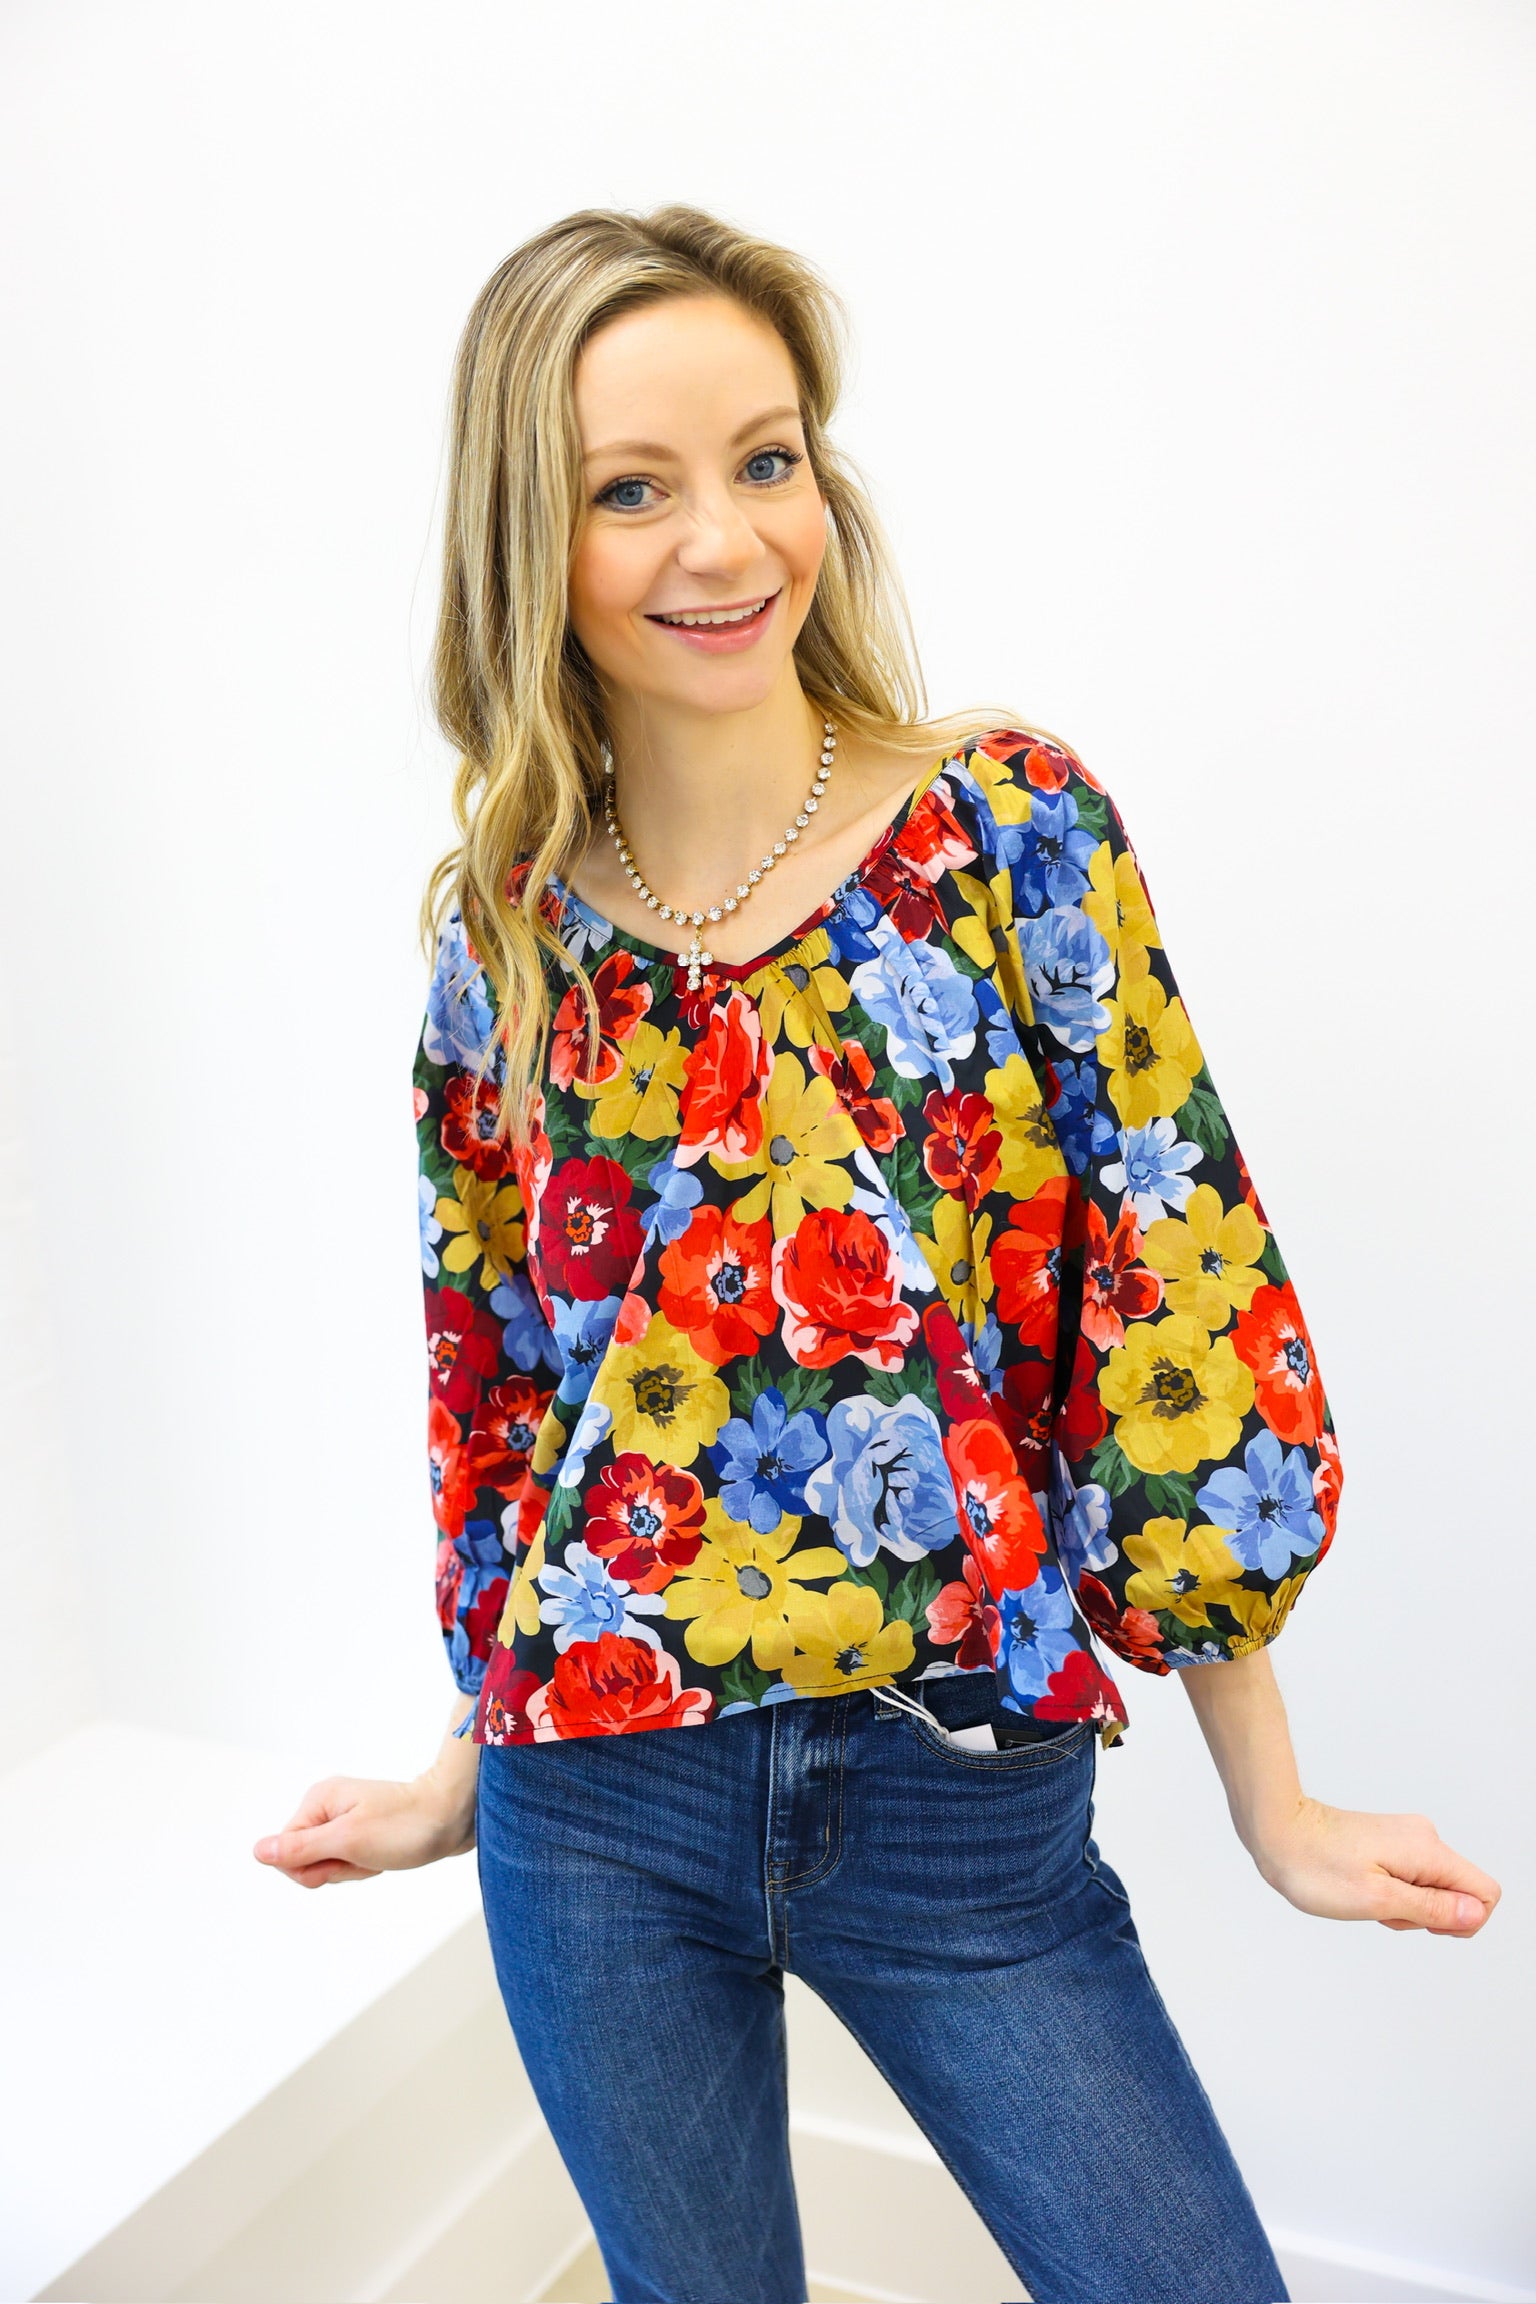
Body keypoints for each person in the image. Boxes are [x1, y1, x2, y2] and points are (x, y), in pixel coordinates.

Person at [254, 206, 1500, 2304]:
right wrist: (457, 1770)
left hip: (955, 1794)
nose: (725, 542)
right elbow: (508, 1396)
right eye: (629, 492)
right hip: (597, 1813)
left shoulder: (1011, 832)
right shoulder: (503, 930)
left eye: (766, 459)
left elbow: (1177, 1310)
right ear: (524, 544)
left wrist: (1272, 1804)